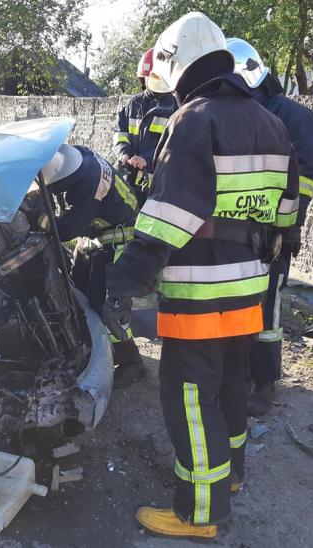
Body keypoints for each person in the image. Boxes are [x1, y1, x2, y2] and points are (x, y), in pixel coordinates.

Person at [104, 12, 299, 540]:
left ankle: (199, 513)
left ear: (177, 65)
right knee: (229, 386)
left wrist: (122, 282)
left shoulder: (193, 119)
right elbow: (285, 214)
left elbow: (173, 212)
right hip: (250, 290)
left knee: (190, 401)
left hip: (199, 291)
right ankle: (230, 477)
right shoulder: (271, 122)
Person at [227, 37, 313, 416]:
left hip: (274, 235)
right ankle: (238, 371)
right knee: (236, 303)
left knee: (266, 309)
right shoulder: (235, 114)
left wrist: (291, 226)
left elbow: (308, 177)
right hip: (235, 232)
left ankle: (264, 381)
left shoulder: (293, 115)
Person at [38, 144, 144, 388]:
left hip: (117, 240)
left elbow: (66, 228)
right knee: (79, 295)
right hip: (96, 237)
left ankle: (131, 361)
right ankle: (97, 347)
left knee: (104, 303)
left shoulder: (89, 184)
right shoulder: (75, 156)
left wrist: (40, 219)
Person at [113, 48, 177, 204]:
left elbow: (174, 144)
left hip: (159, 183)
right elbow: (120, 133)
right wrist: (124, 153)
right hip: (131, 178)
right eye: (150, 76)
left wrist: (146, 159)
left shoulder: (175, 106)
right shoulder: (134, 103)